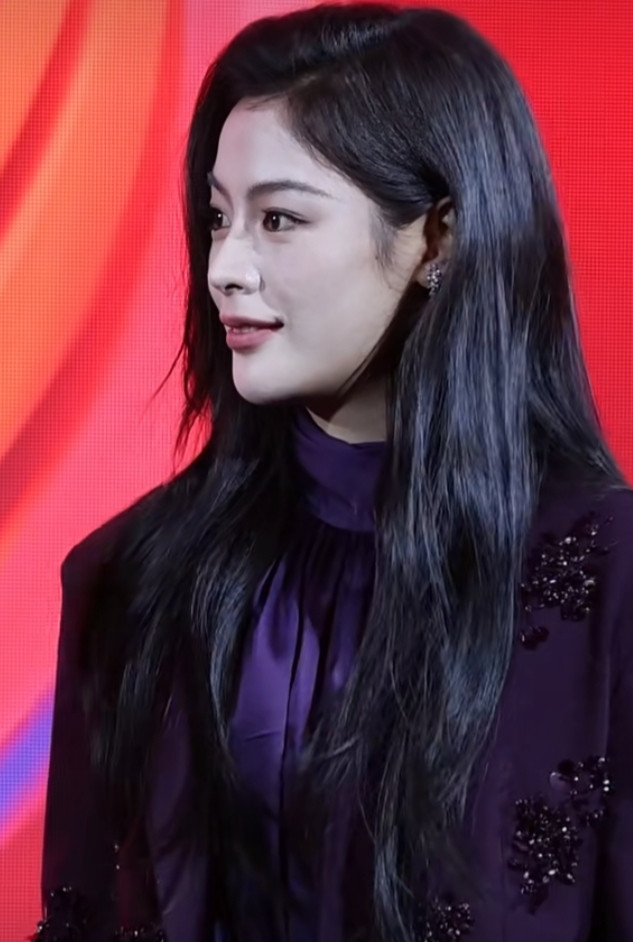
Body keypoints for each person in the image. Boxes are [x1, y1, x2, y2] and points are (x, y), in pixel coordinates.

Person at [33, 3, 633, 941]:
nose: (224, 267)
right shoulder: (132, 575)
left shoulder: (605, 576)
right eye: (218, 218)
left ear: (438, 238)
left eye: (278, 219)